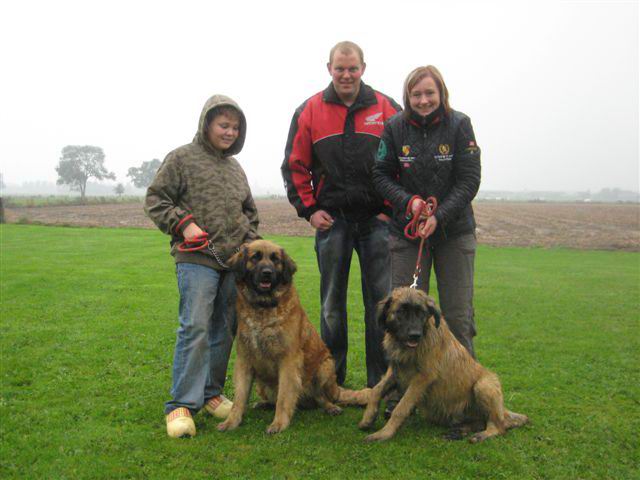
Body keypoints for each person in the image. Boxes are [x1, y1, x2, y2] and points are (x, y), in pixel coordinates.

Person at [281, 41, 401, 388]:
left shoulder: (387, 108)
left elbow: (401, 164)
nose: (346, 75)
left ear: (363, 68)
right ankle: (331, 382)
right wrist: (310, 210)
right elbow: (294, 166)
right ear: (329, 68)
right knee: (332, 305)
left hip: (376, 223)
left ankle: (380, 385)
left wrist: (390, 210)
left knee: (380, 306)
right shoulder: (310, 110)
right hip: (332, 222)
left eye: (353, 68)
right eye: (340, 68)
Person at [145, 94, 260, 438]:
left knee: (223, 329)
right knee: (194, 327)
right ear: (206, 123)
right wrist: (183, 224)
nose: (229, 132)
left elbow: (249, 212)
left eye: (235, 127)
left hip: (233, 262)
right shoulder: (181, 158)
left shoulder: (235, 168)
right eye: (223, 125)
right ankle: (181, 405)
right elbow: (155, 199)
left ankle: (211, 394)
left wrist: (249, 243)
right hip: (196, 258)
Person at [372, 65, 481, 358]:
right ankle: (399, 393)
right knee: (402, 316)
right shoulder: (394, 127)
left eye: (429, 93)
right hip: (407, 236)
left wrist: (438, 215)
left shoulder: (460, 125)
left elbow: (469, 179)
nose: (423, 100)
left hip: (454, 233)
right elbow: (380, 174)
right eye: (416, 94)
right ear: (408, 96)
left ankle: (462, 394)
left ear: (441, 93)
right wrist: (410, 203)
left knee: (457, 318)